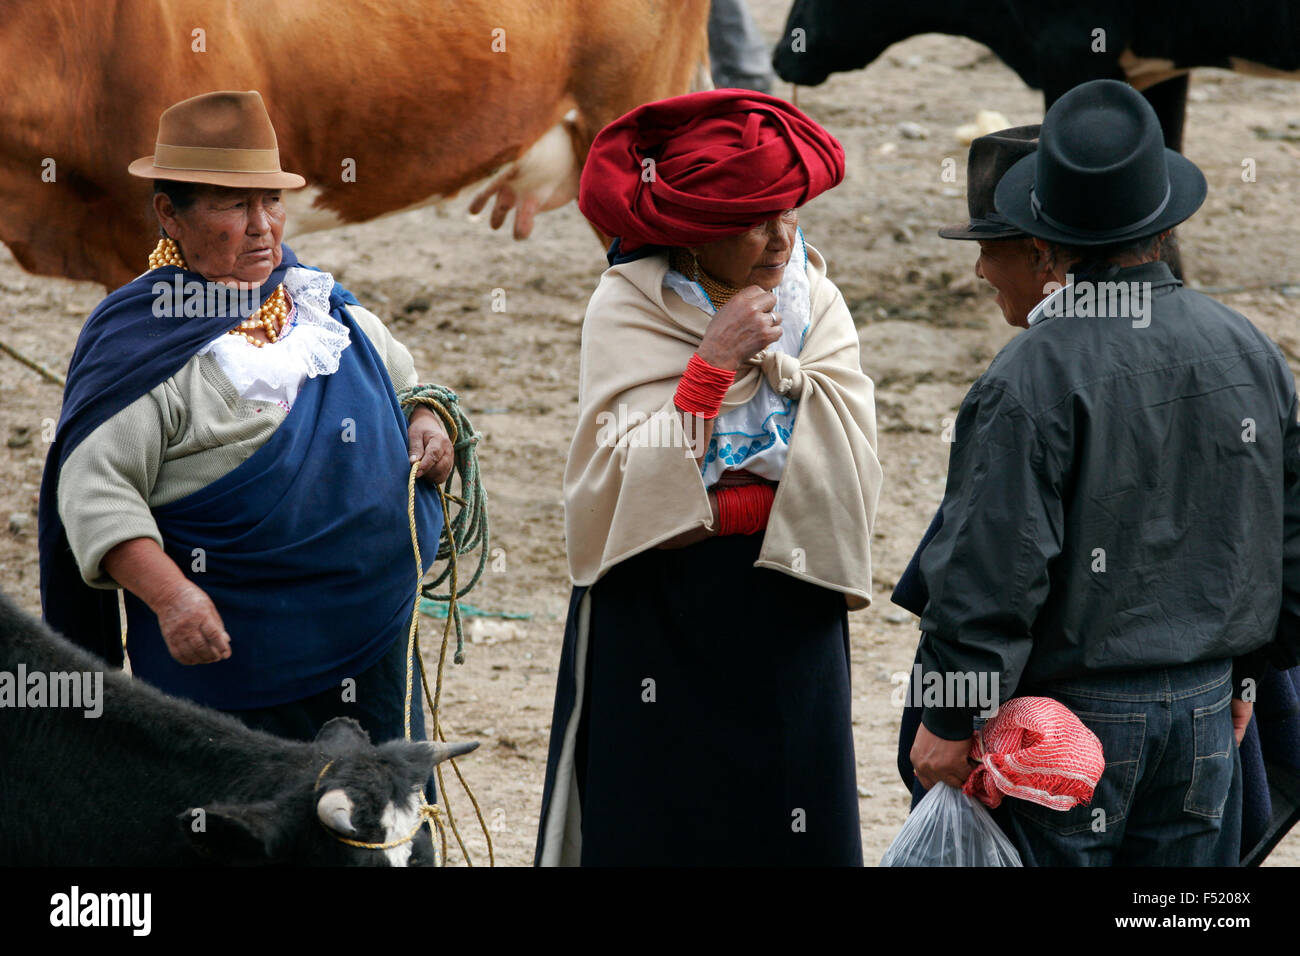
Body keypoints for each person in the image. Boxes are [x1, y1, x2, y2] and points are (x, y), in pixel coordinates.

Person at [907, 79, 1300, 865]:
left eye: (994, 250)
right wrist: (1246, 678)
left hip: (1067, 726)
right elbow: (1286, 541)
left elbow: (994, 574)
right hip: (1204, 713)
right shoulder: (1249, 348)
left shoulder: (1029, 380)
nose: (983, 273)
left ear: (1045, 249)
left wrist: (950, 718)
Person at [38, 91, 453, 755]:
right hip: (231, 662)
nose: (264, 226)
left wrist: (431, 423)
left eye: (272, 201)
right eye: (235, 205)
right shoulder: (137, 343)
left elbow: (409, 385)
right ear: (170, 213)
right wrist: (172, 598)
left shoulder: (318, 303)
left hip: (370, 638)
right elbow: (97, 493)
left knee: (379, 825)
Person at [533, 89, 883, 866]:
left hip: (789, 592)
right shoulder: (628, 307)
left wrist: (731, 510)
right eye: (752, 220)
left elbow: (850, 461)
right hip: (657, 610)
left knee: (791, 810)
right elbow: (616, 485)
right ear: (691, 232)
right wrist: (713, 366)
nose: (780, 238)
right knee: (661, 813)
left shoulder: (814, 301)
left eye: (790, 211)